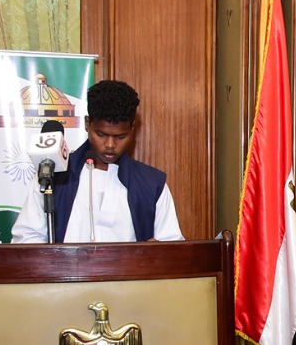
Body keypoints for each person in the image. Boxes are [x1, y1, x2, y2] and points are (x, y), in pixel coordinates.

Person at [12, 80, 184, 243]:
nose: (110, 145)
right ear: (87, 124)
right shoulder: (53, 174)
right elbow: (26, 238)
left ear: (133, 128)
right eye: (101, 134)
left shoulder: (152, 184)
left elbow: (171, 246)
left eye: (120, 137)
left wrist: (155, 253)